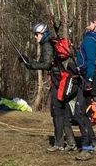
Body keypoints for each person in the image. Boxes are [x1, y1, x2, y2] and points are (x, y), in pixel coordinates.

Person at [21, 23, 77, 152]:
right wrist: (29, 62)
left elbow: (46, 65)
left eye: (36, 34)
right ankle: (71, 143)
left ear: (42, 33)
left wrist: (30, 64)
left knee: (57, 112)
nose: (35, 37)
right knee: (63, 112)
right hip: (61, 80)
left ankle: (58, 143)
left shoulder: (47, 45)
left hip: (59, 82)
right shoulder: (50, 43)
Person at [73, 18, 96, 161]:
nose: (90, 22)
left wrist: (88, 80)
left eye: (94, 22)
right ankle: (92, 143)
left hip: (88, 80)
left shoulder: (90, 41)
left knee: (79, 113)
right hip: (89, 80)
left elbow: (90, 62)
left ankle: (87, 148)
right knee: (82, 113)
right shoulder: (93, 40)